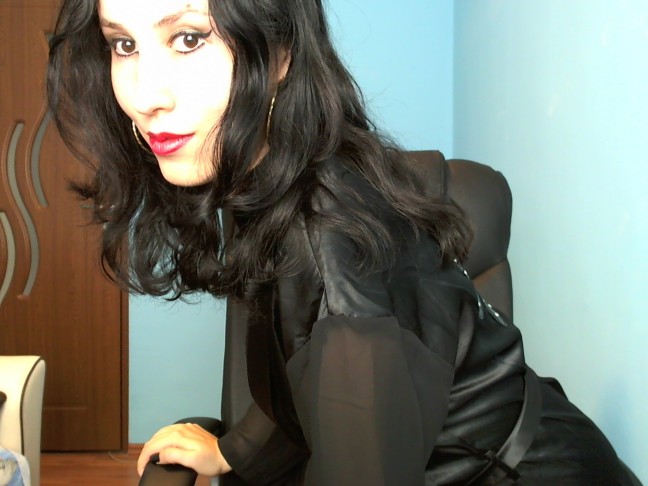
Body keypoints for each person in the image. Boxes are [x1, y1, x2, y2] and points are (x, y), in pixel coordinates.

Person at [47, 0, 641, 484]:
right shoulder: (275, 173)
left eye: (188, 38)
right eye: (124, 45)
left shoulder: (339, 257)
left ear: (281, 52)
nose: (145, 96)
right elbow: (297, 367)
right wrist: (234, 452)